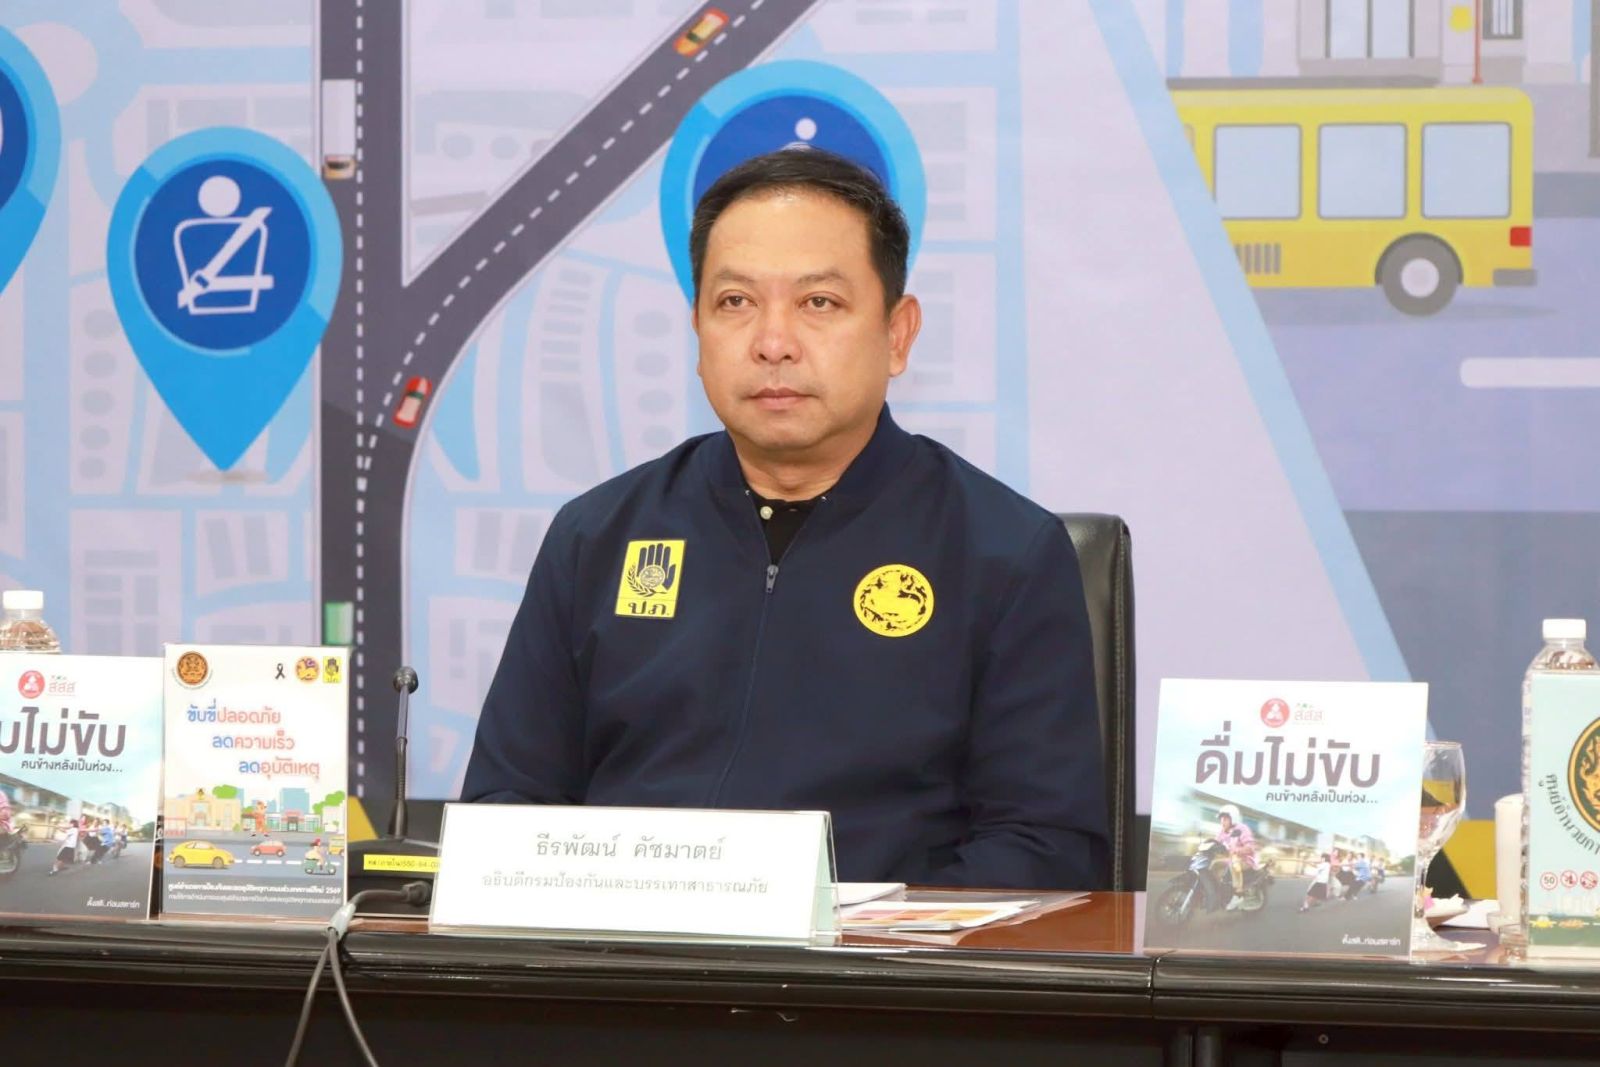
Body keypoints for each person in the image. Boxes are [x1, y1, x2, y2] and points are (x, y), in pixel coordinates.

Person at [462, 148, 1109, 890]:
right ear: (697, 330)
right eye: (735, 302)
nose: (773, 343)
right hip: (624, 954)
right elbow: (504, 807)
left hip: (873, 959)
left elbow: (1044, 848)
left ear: (898, 334)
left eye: (819, 303)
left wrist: (844, 926)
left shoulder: (1004, 552)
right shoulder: (597, 536)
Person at [1214, 804, 1260, 910]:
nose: (1222, 822)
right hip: (1232, 859)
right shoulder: (1222, 831)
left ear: (1233, 818)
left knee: (1234, 862)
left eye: (1225, 819)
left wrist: (1237, 850)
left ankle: (1238, 895)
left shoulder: (1242, 829)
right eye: (1221, 819)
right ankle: (1220, 890)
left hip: (1247, 860)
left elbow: (1250, 848)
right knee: (1215, 864)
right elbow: (1215, 842)